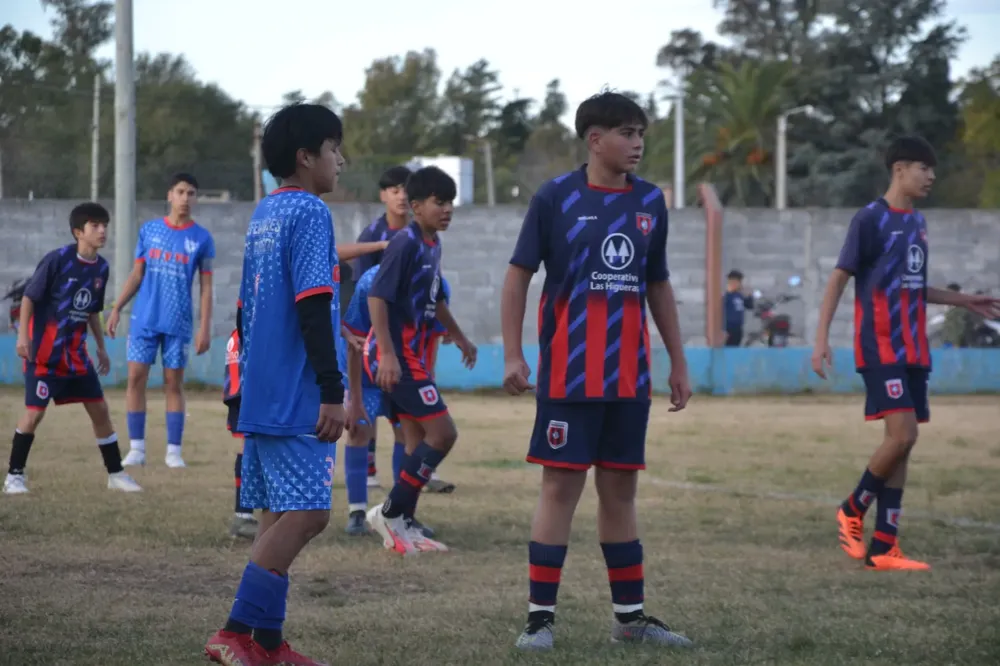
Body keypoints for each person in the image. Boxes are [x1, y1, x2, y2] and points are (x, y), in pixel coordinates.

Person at [499, 91, 694, 651]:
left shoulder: (651, 202)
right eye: (626, 133)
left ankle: (630, 619)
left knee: (620, 492)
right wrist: (514, 354)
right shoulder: (555, 197)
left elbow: (656, 283)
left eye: (640, 133)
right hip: (567, 373)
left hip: (629, 377)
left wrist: (677, 361)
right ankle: (540, 620)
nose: (636, 144)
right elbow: (518, 275)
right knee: (560, 488)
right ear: (594, 139)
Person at [812, 135, 1000, 572]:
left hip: (915, 349)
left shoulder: (917, 223)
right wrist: (821, 339)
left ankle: (884, 547)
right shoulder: (870, 220)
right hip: (881, 346)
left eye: (932, 169)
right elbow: (838, 279)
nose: (931, 176)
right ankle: (852, 508)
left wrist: (965, 300)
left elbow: (916, 286)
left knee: (902, 446)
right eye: (923, 168)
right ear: (899, 169)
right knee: (903, 436)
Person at [204, 102, 348, 666]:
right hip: (296, 393)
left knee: (275, 515)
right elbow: (312, 304)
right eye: (334, 149)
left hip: (261, 390)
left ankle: (266, 644)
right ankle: (235, 630)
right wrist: (332, 390)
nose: (341, 160)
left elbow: (246, 311)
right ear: (306, 156)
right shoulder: (310, 213)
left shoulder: (265, 214)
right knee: (310, 515)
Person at [364, 166, 478, 556]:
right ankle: (390, 512)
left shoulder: (432, 244)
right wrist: (389, 355)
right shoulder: (405, 243)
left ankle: (404, 524)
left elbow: (436, 299)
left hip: (409, 353)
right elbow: (377, 296)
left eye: (451, 203)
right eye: (439, 202)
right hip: (397, 354)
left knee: (415, 442)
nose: (447, 209)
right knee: (443, 433)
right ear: (416, 206)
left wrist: (459, 336)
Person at [4, 203, 141, 495]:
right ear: (78, 232)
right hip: (45, 354)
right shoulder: (57, 260)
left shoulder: (101, 268)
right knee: (34, 413)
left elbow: (92, 310)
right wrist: (22, 338)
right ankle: (14, 476)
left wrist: (101, 348)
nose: (102, 230)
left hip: (76, 356)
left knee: (100, 410)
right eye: (95, 226)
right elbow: (29, 297)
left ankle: (115, 473)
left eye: (105, 225)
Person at [106, 173, 215, 469]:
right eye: (180, 192)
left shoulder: (202, 238)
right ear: (170, 195)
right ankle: (137, 449)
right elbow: (137, 274)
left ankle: (173, 451)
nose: (185, 198)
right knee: (135, 379)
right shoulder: (150, 231)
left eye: (191, 193)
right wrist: (117, 307)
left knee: (173, 384)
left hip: (178, 324)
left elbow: (206, 288)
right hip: (145, 319)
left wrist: (205, 326)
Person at [339, 265, 455, 538]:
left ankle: (402, 513)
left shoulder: (438, 286)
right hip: (367, 370)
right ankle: (357, 513)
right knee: (359, 431)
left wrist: (428, 384)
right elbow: (355, 341)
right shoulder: (371, 283)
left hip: (406, 369)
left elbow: (431, 340)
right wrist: (355, 399)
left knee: (410, 435)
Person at [355, 165, 412, 488]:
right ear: (384, 196)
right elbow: (363, 287)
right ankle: (369, 467)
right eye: (395, 190)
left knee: (405, 412)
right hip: (374, 338)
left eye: (406, 189)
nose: (401, 195)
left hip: (409, 336)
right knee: (370, 406)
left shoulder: (419, 235)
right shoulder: (372, 236)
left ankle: (408, 473)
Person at [223, 326, 257, 539]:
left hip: (242, 355)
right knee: (252, 444)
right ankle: (243, 516)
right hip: (249, 368)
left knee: (252, 444)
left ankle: (244, 515)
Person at [723, 269, 753, 346]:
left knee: (736, 346)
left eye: (738, 282)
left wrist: (749, 296)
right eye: (733, 282)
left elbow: (749, 306)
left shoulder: (740, 295)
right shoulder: (726, 295)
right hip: (728, 327)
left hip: (738, 327)